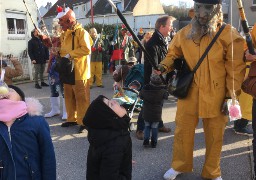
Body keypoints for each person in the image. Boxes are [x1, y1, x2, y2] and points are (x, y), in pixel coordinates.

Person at [156, 1, 246, 179]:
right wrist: (162, 67)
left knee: (215, 134)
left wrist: (230, 96)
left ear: (217, 9)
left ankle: (212, 171)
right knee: (183, 129)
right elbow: (172, 54)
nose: (202, 13)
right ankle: (179, 165)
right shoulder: (185, 33)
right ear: (194, 9)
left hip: (217, 93)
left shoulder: (228, 34)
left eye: (207, 9)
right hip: (189, 91)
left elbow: (235, 69)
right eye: (198, 8)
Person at [0, 85, 56, 179]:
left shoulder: (36, 122)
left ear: (21, 99)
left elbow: (48, 156)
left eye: (10, 90)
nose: (4, 92)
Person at [136, 15, 176, 140]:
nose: (171, 28)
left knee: (159, 104)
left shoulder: (163, 40)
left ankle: (159, 124)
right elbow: (155, 66)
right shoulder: (153, 43)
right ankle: (140, 129)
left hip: (162, 79)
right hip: (154, 81)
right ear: (162, 26)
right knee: (148, 105)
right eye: (170, 25)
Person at [55, 5, 92, 133]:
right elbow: (64, 49)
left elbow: (86, 49)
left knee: (82, 98)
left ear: (69, 20)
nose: (60, 24)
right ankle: (72, 118)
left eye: (62, 22)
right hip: (67, 70)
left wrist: (70, 55)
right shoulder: (64, 34)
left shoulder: (82, 33)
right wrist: (58, 52)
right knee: (69, 95)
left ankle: (84, 121)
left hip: (80, 71)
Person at [83, 95, 132, 180]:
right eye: (111, 104)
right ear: (110, 116)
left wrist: (124, 160)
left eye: (110, 100)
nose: (115, 101)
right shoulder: (115, 143)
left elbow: (107, 160)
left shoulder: (103, 133)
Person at [44, 19, 67, 120]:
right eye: (53, 28)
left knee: (64, 90)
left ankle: (67, 111)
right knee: (54, 89)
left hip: (61, 67)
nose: (54, 30)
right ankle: (55, 110)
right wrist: (42, 33)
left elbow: (65, 50)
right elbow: (47, 42)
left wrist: (57, 51)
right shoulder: (53, 39)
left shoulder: (65, 37)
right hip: (53, 68)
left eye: (56, 27)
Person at [140, 74, 169, 148]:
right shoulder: (162, 91)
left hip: (146, 112)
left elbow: (141, 96)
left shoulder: (145, 89)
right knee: (154, 127)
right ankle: (154, 142)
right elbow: (166, 97)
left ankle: (146, 141)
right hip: (157, 113)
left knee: (147, 126)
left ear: (151, 81)